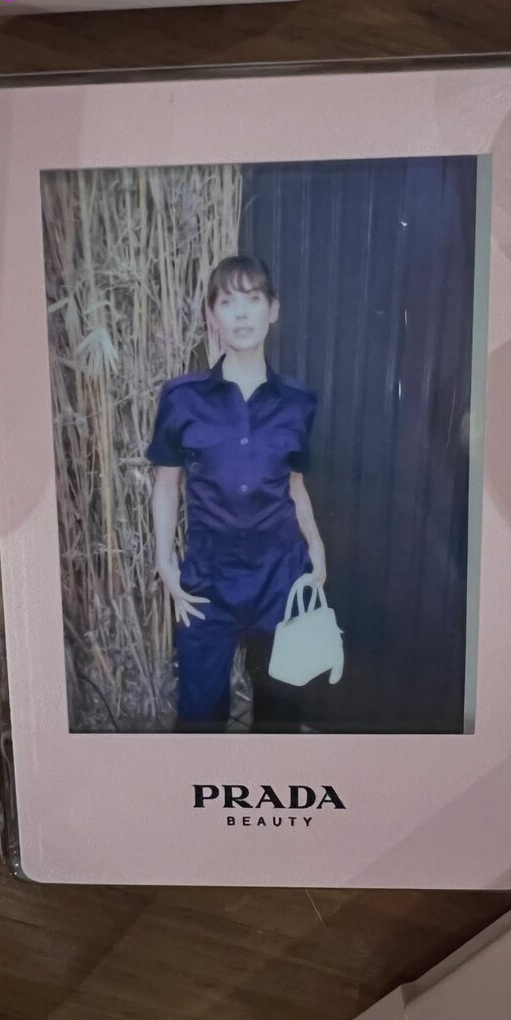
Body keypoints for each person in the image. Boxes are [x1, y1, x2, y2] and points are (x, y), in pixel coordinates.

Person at [147, 254, 326, 733]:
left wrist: (317, 548)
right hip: (206, 584)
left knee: (280, 715)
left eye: (253, 299)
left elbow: (295, 486)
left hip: (280, 579)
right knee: (198, 718)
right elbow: (166, 485)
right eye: (227, 302)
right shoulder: (181, 398)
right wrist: (165, 563)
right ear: (211, 316)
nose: (242, 314)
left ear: (273, 310)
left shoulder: (298, 403)